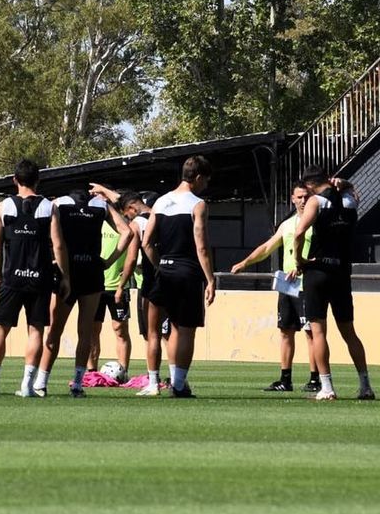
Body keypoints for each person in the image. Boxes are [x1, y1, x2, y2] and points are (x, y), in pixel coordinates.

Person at [0, 159, 68, 398]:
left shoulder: (3, 207)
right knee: (35, 331)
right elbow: (58, 246)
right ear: (38, 180)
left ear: (15, 180)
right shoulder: (49, 207)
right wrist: (65, 277)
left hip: (12, 278)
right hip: (40, 278)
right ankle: (27, 386)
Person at [34, 188, 129, 397]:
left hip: (67, 271)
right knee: (85, 332)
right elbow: (127, 232)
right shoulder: (100, 206)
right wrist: (108, 260)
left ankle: (40, 383)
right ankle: (77, 385)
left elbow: (48, 236)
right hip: (92, 272)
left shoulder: (58, 204)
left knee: (54, 330)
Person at [291, 167, 372, 401]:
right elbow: (351, 190)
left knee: (318, 332)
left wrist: (299, 260)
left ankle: (327, 388)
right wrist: (345, 183)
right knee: (349, 332)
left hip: (317, 272)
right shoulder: (349, 200)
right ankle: (365, 386)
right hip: (341, 272)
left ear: (308, 185)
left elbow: (298, 234)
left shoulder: (316, 202)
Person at [230, 183, 318, 392]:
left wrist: (304, 265)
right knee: (286, 330)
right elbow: (268, 247)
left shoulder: (317, 223)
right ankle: (285, 379)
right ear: (293, 199)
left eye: (307, 196)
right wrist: (245, 263)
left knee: (311, 332)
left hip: (308, 284)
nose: (303, 201)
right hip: (288, 285)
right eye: (300, 197)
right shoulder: (287, 225)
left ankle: (315, 378)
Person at [141, 155, 216, 398]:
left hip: (164, 270)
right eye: (205, 181)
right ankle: (179, 385)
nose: (205, 185)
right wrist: (211, 279)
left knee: (163, 329)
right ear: (197, 178)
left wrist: (159, 266)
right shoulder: (198, 204)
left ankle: (163, 382)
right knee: (185, 329)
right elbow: (201, 246)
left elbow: (147, 242)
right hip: (187, 272)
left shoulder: (161, 202)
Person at [88, 215, 135, 376]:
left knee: (120, 329)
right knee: (92, 330)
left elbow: (134, 252)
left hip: (118, 287)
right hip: (95, 285)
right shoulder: (93, 222)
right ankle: (91, 372)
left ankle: (123, 372)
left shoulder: (124, 226)